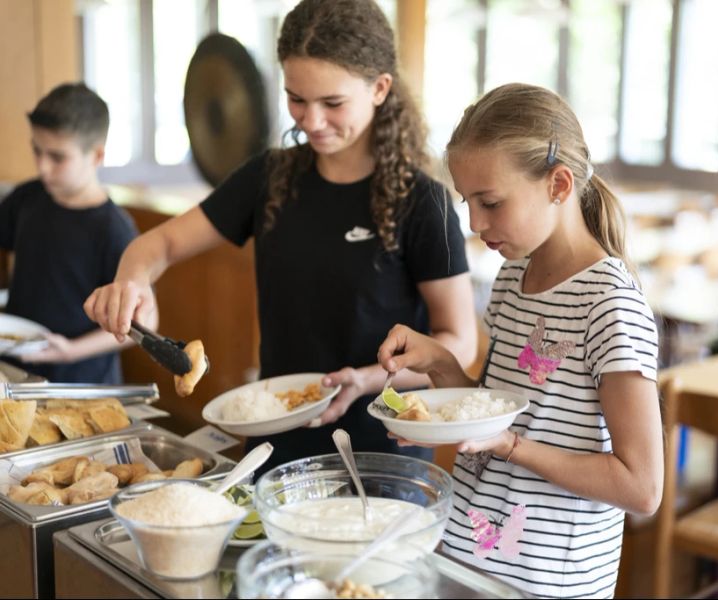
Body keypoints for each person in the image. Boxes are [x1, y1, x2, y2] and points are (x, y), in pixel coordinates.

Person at [84, 0, 477, 469]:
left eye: (332, 103)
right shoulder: (268, 177)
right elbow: (159, 244)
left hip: (384, 445)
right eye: (296, 99)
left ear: (379, 88)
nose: (311, 121)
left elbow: (459, 341)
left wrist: (368, 379)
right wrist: (132, 280)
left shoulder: (423, 201)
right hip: (276, 441)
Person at [377, 83, 663, 599]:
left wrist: (512, 447)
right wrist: (443, 369)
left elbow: (641, 488)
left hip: (545, 584)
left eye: (490, 202)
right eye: (467, 202)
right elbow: (501, 414)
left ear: (558, 184)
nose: (475, 224)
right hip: (467, 560)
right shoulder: (512, 278)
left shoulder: (611, 305)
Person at [0, 82, 144, 384]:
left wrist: (70, 351)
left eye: (57, 157)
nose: (42, 167)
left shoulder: (113, 229)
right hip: (16, 373)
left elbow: (142, 323)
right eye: (37, 151)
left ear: (96, 156)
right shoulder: (27, 198)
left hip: (80, 380)